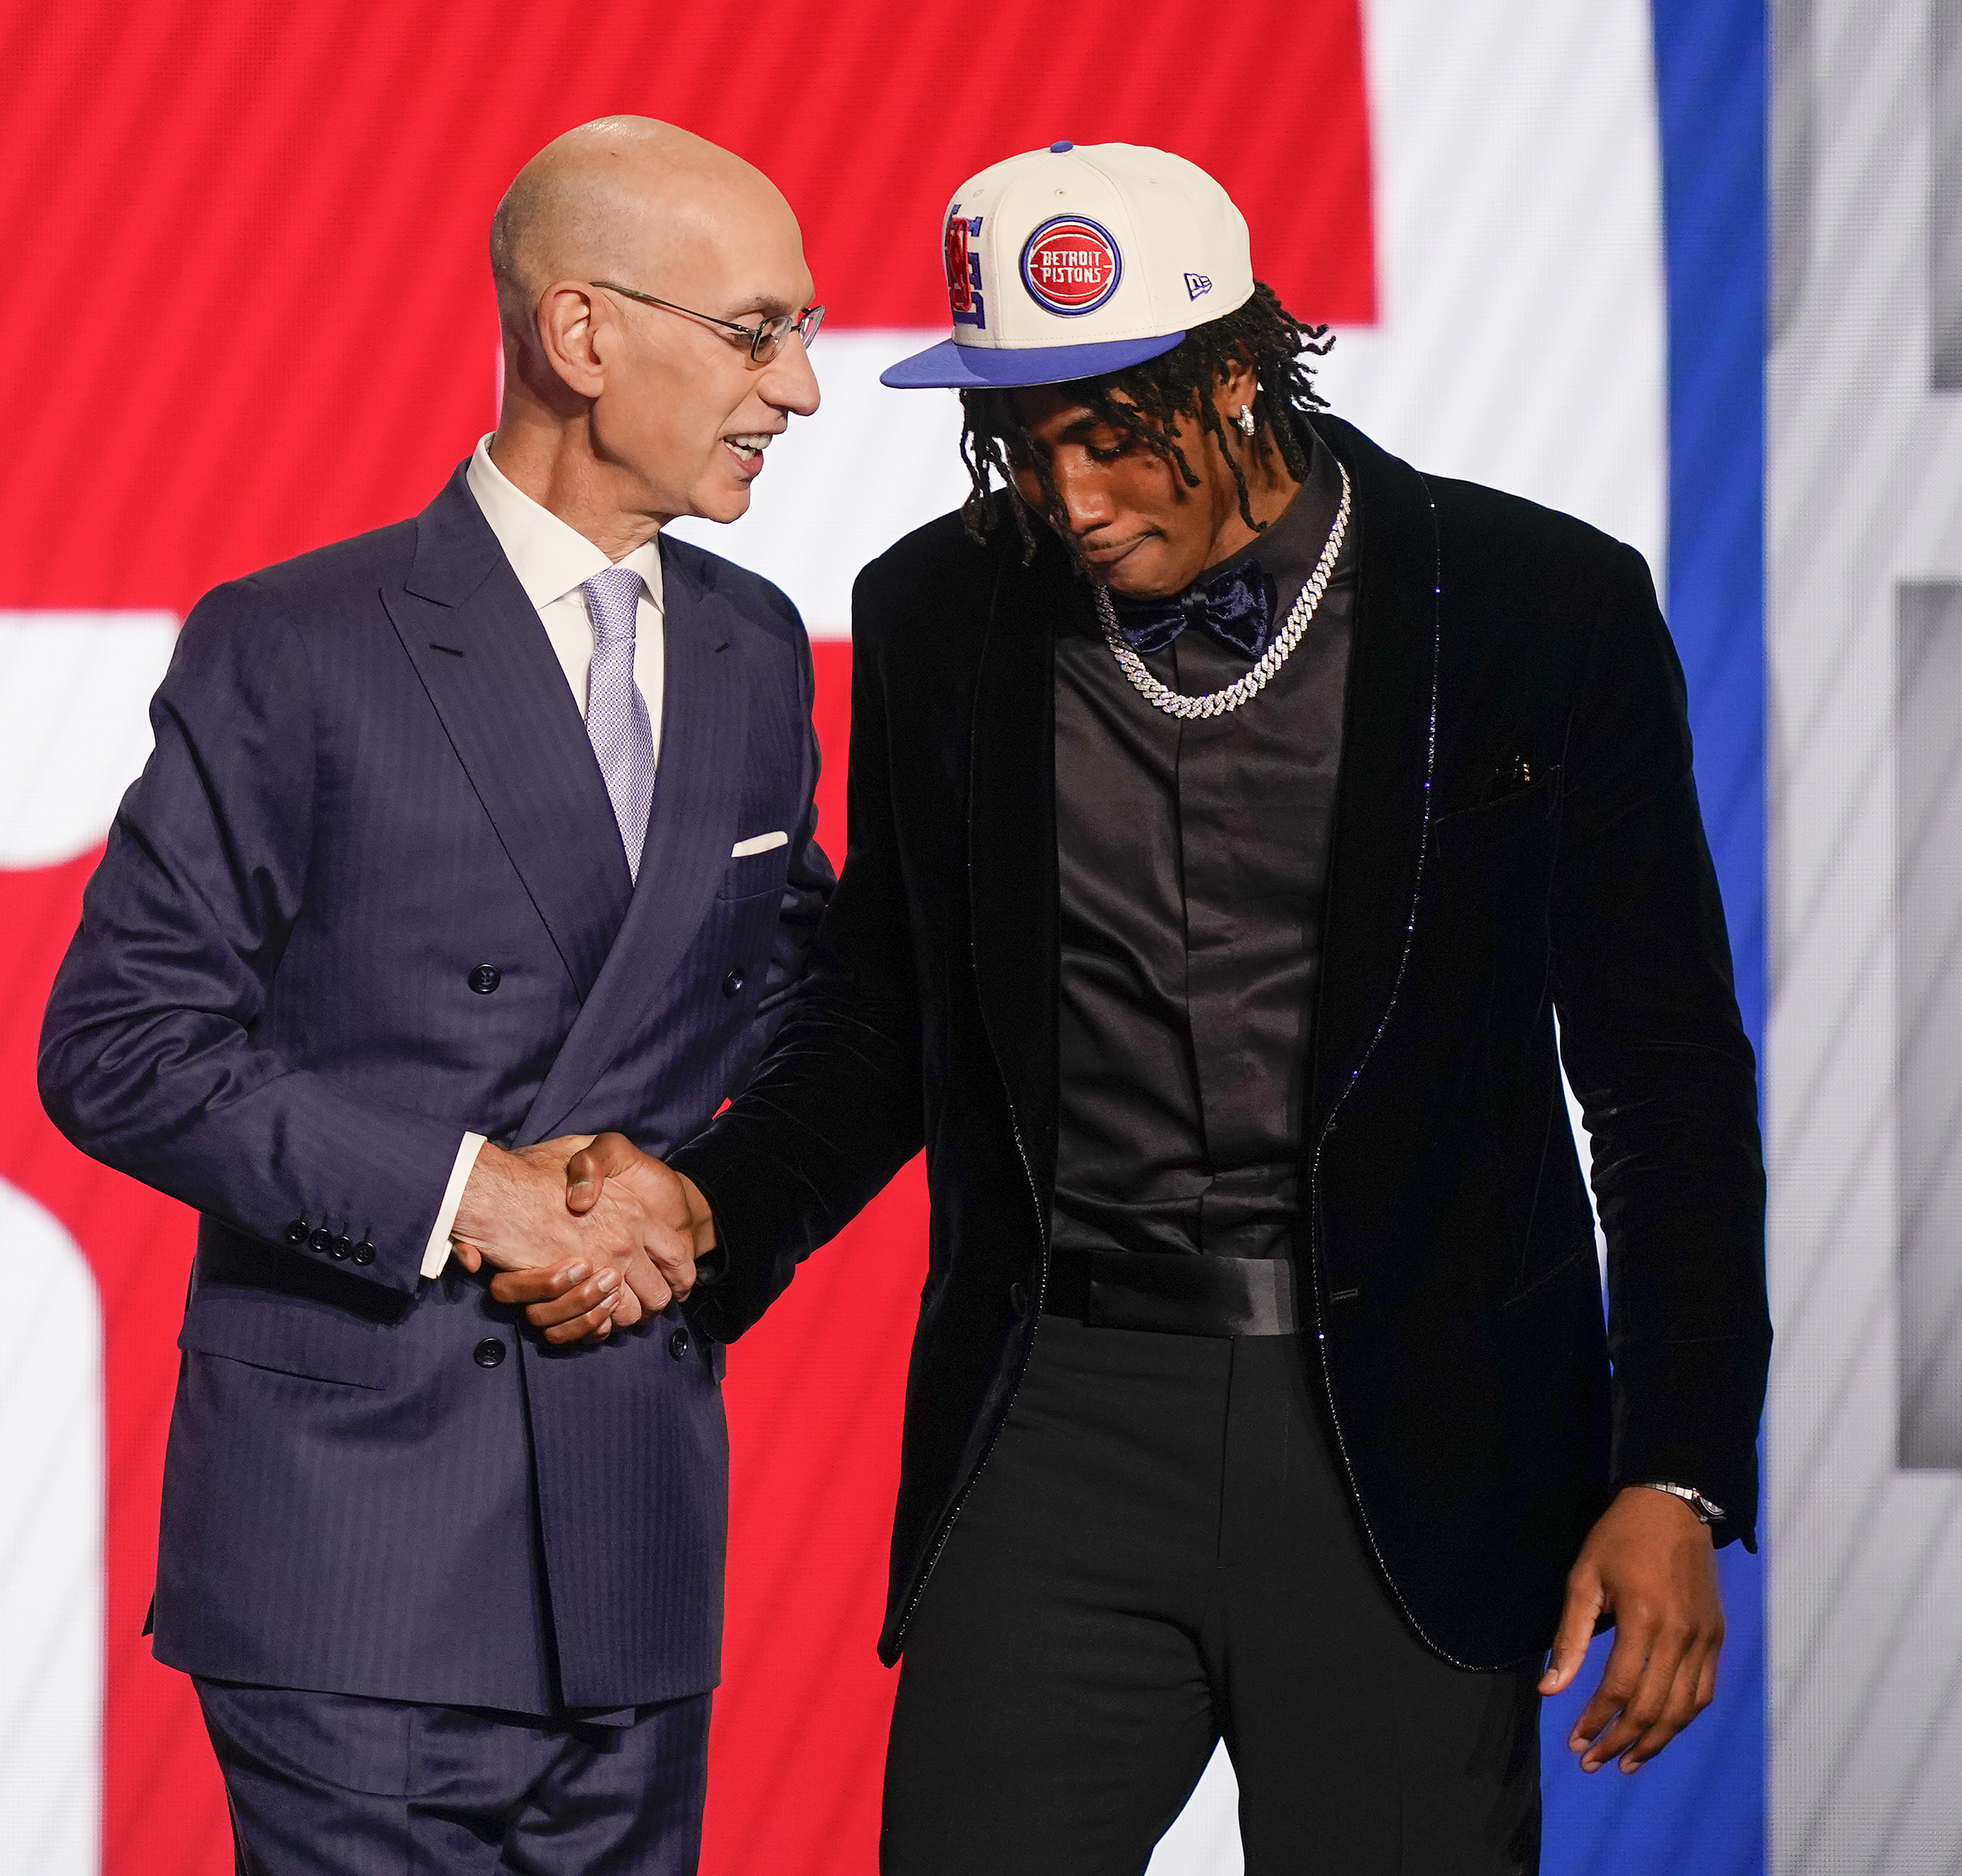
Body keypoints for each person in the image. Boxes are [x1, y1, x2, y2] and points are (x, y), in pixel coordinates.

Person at [528, 142, 1769, 1874]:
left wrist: (1681, 1468)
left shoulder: (1530, 610)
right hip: (1057, 1411)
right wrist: (714, 1200)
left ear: (1242, 371)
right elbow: (887, 1017)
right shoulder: (937, 613)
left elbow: (1662, 1084)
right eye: (1025, 448)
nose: (1074, 496)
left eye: (1112, 433)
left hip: (1404, 1436)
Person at [37, 115, 832, 1874]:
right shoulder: (299, 642)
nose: (801, 389)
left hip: (629, 1511)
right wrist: (470, 1196)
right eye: (756, 331)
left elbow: (797, 1014)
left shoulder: (759, 646)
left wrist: (687, 1208)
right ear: (582, 332)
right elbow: (118, 1044)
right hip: (358, 1538)